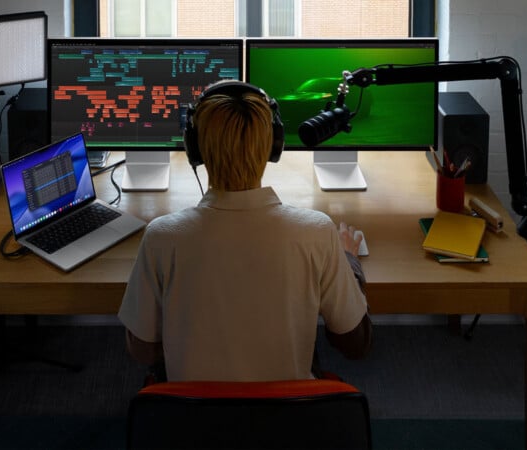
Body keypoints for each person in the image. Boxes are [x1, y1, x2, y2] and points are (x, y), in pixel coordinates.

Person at [118, 80, 371, 382]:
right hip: (285, 416)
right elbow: (355, 343)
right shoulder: (317, 232)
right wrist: (349, 263)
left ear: (195, 148)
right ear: (273, 146)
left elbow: (143, 350)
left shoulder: (161, 237)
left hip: (189, 419)